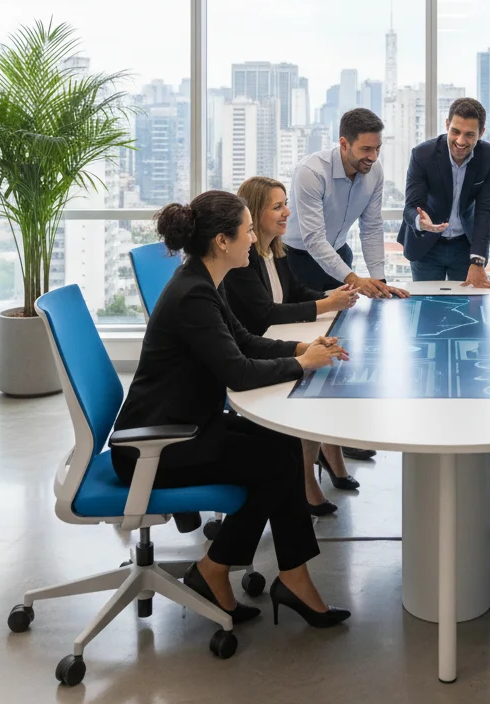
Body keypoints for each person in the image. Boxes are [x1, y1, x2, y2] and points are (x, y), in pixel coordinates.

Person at [111, 190, 351, 629]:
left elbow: (244, 340)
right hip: (158, 445)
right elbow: (238, 372)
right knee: (274, 465)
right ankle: (219, 568)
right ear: (222, 241)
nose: (252, 239)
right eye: (247, 231)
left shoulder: (202, 281)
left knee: (280, 445)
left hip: (187, 426)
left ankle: (282, 575)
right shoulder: (193, 296)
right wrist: (302, 364)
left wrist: (304, 347)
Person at [223, 176, 361, 517]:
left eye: (286, 204)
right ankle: (307, 482)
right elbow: (264, 313)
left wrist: (334, 298)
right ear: (255, 213)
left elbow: (297, 293)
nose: (288, 213)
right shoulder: (243, 261)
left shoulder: (275, 250)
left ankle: (331, 452)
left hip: (272, 342)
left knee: (330, 363)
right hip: (256, 351)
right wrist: (326, 307)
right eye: (278, 206)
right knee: (315, 378)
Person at [285, 107, 410, 302]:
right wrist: (355, 280)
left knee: (340, 322)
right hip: (298, 260)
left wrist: (380, 282)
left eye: (377, 148)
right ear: (344, 144)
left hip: (340, 254)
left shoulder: (374, 170)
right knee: (305, 324)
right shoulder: (311, 172)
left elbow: (371, 227)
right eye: (366, 149)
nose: (374, 157)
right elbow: (314, 240)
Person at [398, 97, 490, 286]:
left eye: (470, 134)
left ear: (481, 132)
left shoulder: (489, 156)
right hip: (427, 246)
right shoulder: (422, 155)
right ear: (447, 125)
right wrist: (421, 222)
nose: (461, 141)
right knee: (427, 308)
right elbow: (411, 207)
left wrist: (477, 260)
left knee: (465, 309)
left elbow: (486, 209)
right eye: (455, 131)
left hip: (465, 246)